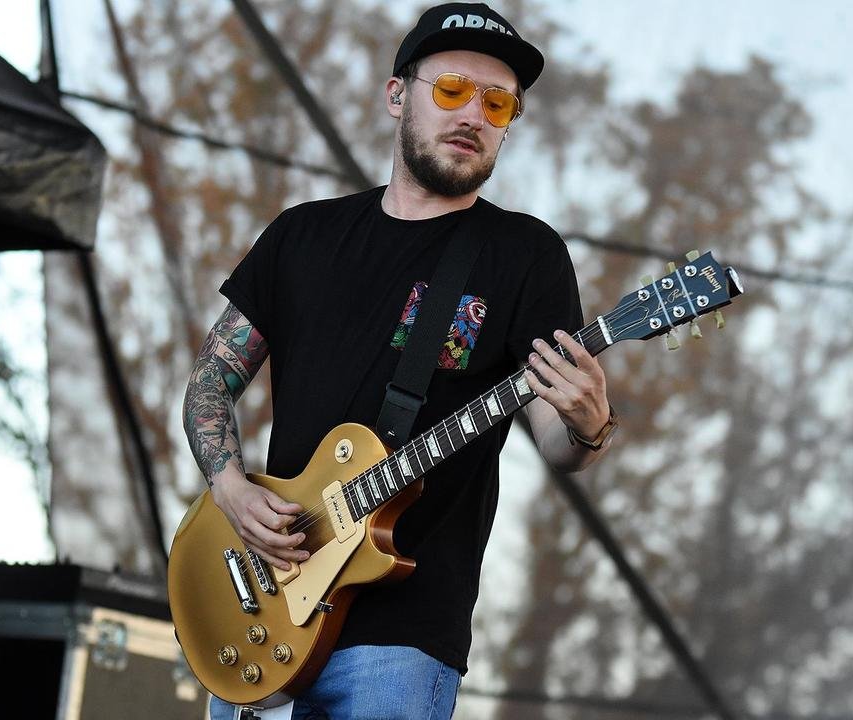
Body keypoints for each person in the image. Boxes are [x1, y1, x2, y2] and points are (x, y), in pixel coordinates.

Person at [183, 3, 618, 718]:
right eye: (452, 90)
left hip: (401, 641)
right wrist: (230, 489)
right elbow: (210, 382)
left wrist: (589, 424)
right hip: (264, 606)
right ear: (397, 95)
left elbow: (557, 440)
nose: (473, 114)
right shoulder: (302, 236)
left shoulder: (525, 255)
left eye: (497, 103)